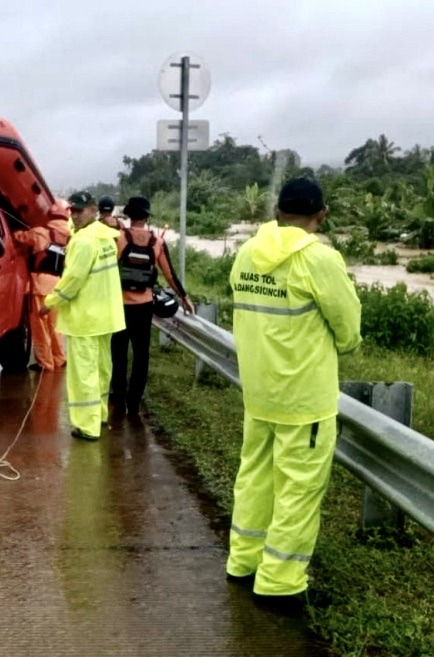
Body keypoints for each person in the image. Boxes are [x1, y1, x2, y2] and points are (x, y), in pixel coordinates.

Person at [224, 177, 362, 616]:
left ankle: (243, 562)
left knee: (255, 479)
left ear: (277, 211)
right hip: (304, 398)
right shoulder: (319, 259)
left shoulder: (247, 253)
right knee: (298, 491)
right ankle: (281, 584)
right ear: (320, 215)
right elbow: (349, 330)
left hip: (259, 392)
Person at [41, 191, 125, 441]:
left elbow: (72, 281)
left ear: (93, 209)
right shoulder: (104, 236)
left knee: (84, 375)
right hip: (106, 316)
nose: (75, 215)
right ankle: (98, 416)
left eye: (80, 210)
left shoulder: (83, 242)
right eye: (72, 211)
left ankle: (86, 426)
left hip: (86, 319)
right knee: (101, 370)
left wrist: (49, 302)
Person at [111, 196, 195, 417]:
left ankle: (118, 400)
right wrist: (184, 297)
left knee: (118, 354)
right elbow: (169, 274)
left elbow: (109, 270)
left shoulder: (119, 238)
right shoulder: (157, 242)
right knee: (141, 355)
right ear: (147, 217)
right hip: (144, 306)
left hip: (119, 306)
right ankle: (134, 403)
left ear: (129, 216)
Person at [13, 199, 72, 371]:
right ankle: (59, 358)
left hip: (40, 285)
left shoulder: (40, 232)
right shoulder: (69, 237)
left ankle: (45, 363)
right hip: (58, 285)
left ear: (51, 214)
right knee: (55, 326)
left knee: (40, 326)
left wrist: (17, 229)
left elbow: (19, 237)